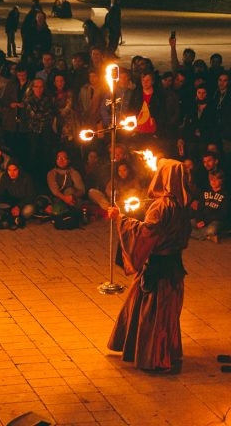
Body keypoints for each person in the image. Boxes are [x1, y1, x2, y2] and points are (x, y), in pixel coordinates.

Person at [107, 158, 191, 373]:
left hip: (158, 268)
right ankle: (165, 352)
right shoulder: (182, 203)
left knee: (152, 314)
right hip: (174, 267)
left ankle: (153, 357)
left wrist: (121, 219)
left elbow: (147, 233)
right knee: (165, 314)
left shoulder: (161, 206)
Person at [191, 170, 229, 242]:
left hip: (214, 221)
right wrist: (199, 220)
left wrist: (205, 221)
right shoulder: (205, 192)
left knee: (211, 230)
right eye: (211, 179)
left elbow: (222, 214)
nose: (213, 182)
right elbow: (199, 207)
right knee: (188, 223)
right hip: (202, 219)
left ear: (222, 180)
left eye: (216, 179)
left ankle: (199, 234)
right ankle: (209, 237)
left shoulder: (225, 195)